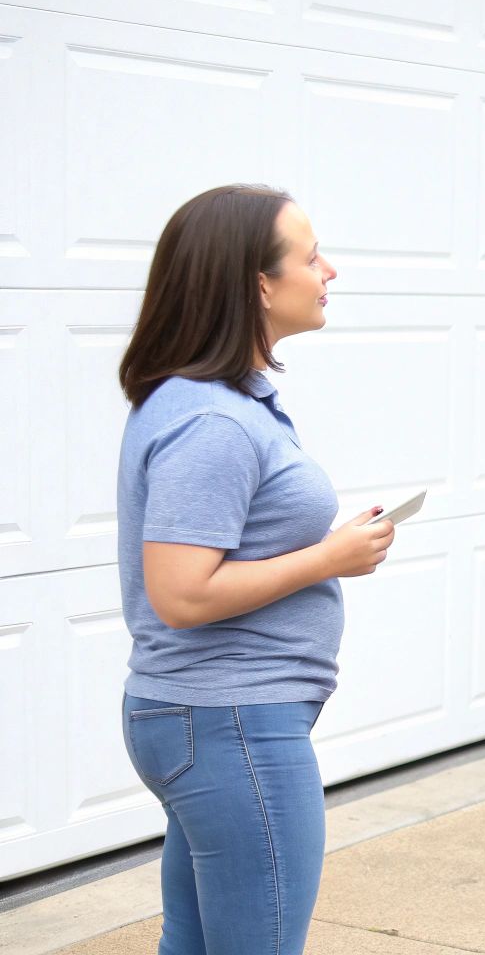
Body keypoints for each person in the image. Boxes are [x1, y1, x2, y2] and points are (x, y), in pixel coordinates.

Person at [114, 185, 394, 955]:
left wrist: (320, 552)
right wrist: (327, 558)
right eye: (310, 257)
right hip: (230, 722)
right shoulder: (211, 419)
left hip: (209, 719)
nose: (329, 270)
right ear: (258, 285)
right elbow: (180, 592)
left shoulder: (212, 400)